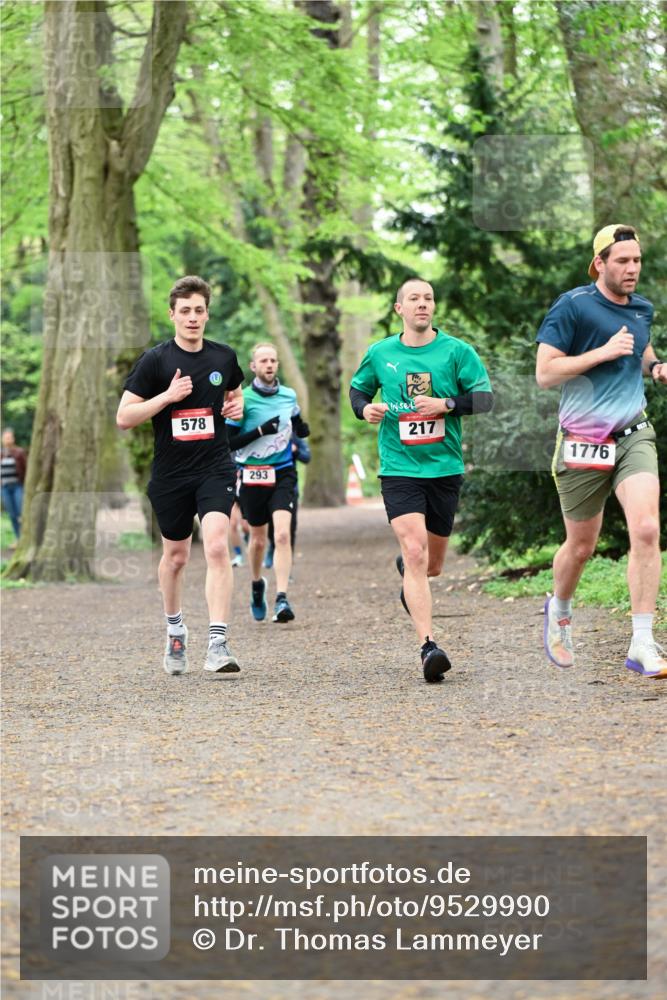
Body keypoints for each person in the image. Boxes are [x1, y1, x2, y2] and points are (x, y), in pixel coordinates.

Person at [536, 224, 667, 679]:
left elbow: (642, 349)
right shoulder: (573, 307)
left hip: (633, 432)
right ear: (600, 264)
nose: (632, 269)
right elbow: (546, 373)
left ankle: (643, 641)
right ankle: (560, 609)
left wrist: (656, 367)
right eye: (622, 261)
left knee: (647, 528)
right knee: (581, 545)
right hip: (582, 441)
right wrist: (601, 352)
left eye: (637, 261)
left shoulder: (642, 309)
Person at [349, 278, 493, 683]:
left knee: (431, 565)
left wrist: (445, 404)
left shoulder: (456, 352)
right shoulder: (381, 353)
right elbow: (357, 391)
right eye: (414, 299)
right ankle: (429, 646)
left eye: (428, 298)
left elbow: (485, 398)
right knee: (414, 552)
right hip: (399, 468)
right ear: (400, 308)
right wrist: (365, 411)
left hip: (444, 469)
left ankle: (412, 578)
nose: (422, 304)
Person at [117, 275, 245, 676]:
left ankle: (218, 644)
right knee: (175, 557)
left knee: (218, 547)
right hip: (171, 475)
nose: (193, 318)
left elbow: (235, 393)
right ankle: (175, 630)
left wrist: (236, 407)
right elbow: (124, 417)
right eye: (185, 311)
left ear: (208, 314)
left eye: (199, 310)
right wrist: (167, 398)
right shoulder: (155, 361)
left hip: (215, 468)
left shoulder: (224, 357)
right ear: (172, 314)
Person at [227, 343, 310, 624]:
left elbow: (297, 421)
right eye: (263, 361)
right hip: (251, 473)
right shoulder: (244, 399)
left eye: (273, 360)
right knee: (258, 538)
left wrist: (301, 428)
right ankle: (256, 583)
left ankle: (282, 597)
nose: (269, 365)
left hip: (283, 471)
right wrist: (261, 430)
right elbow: (229, 443)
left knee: (283, 535)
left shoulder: (288, 395)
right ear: (253, 367)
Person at [1, 428, 27, 542]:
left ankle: (25, 538)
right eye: (6, 438)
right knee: (12, 515)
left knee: (20, 513)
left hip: (17, 486)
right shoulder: (1, 454)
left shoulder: (19, 452)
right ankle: (18, 538)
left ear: (13, 439)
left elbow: (26, 468)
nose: (8, 440)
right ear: (2, 439)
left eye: (9, 437)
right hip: (5, 488)